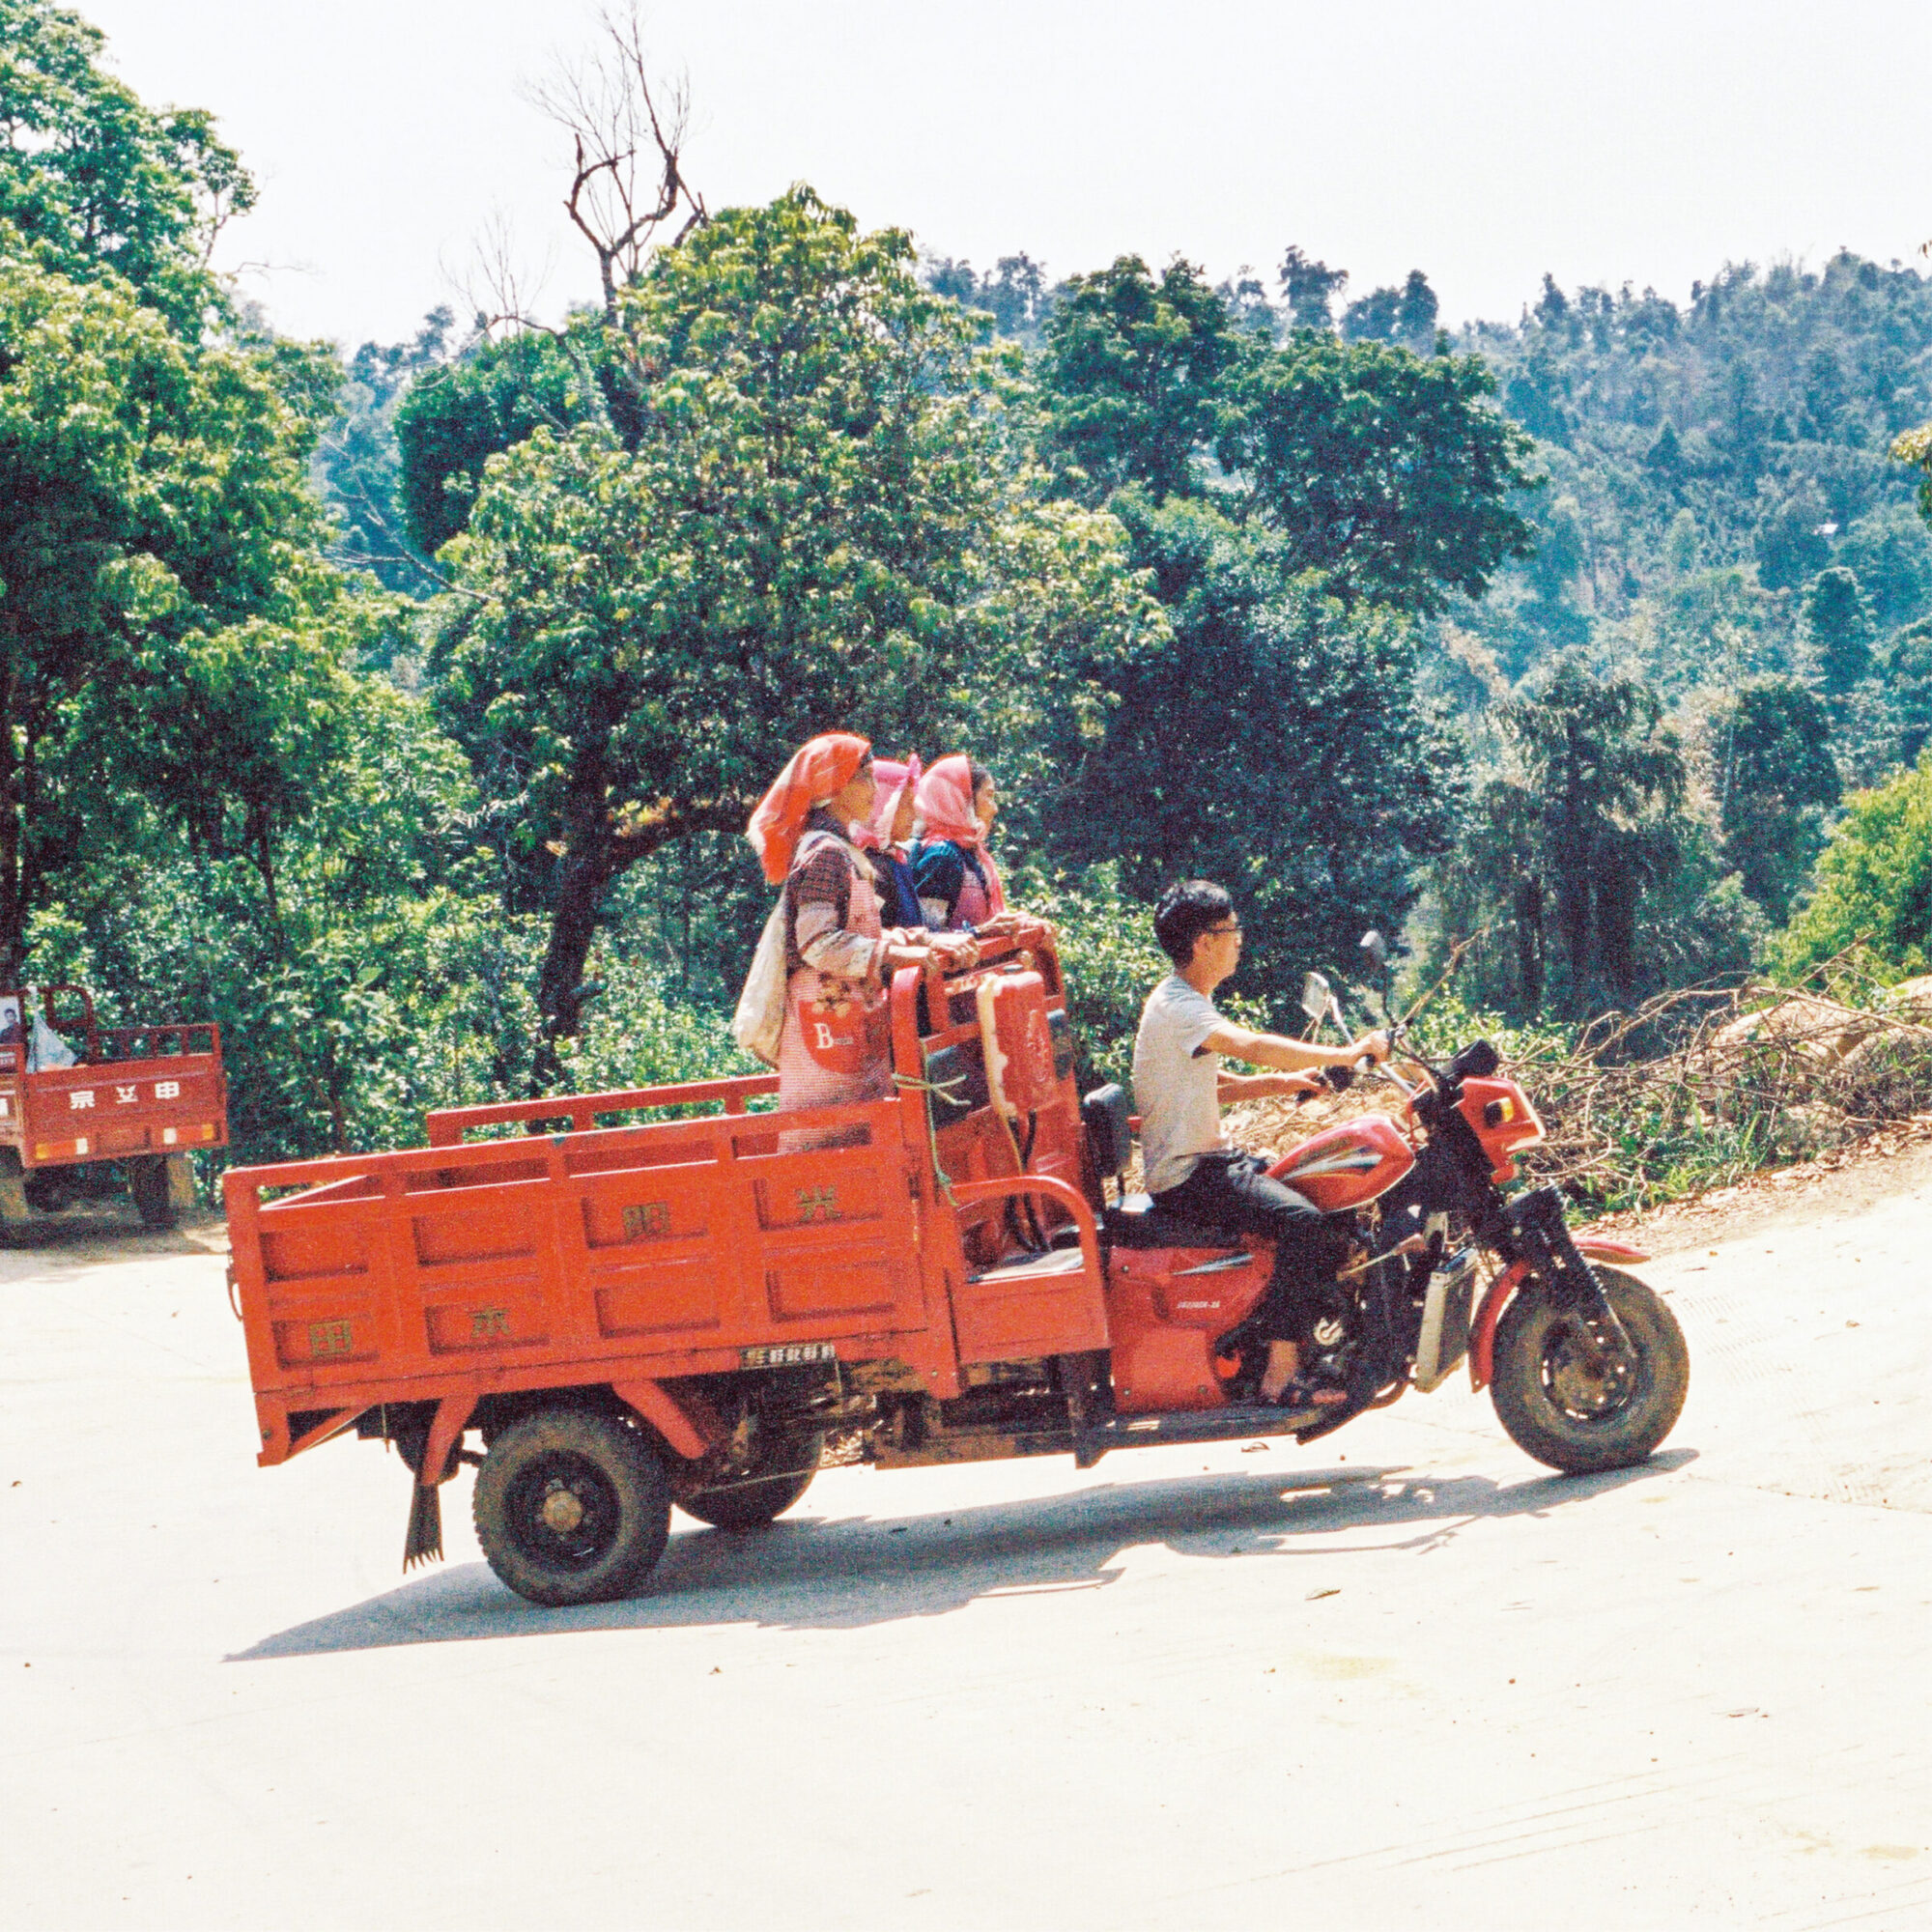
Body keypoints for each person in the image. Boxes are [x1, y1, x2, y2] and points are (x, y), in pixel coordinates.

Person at [1131, 879, 1389, 1407]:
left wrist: (1290, 1082)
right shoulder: (1180, 1006)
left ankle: (1328, 1338)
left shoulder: (1182, 1001)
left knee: (1327, 1196)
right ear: (1204, 942)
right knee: (1302, 1223)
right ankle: (1281, 1372)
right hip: (1187, 1177)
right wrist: (1344, 1054)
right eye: (1232, 931)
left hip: (1206, 1162)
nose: (1240, 941)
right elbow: (1249, 1045)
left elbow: (1214, 1084)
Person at [746, 734, 974, 1137]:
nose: (873, 789)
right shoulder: (824, 854)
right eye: (863, 778)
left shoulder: (839, 850)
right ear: (832, 788)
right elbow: (817, 944)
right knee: (832, 1141)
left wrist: (925, 942)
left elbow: (863, 932)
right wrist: (897, 956)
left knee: (859, 1134)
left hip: (846, 1023)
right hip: (826, 1026)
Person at [911, 755, 1008, 933]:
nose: (995, 808)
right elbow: (927, 935)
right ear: (962, 799)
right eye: (989, 795)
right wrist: (980, 932)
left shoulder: (970, 853)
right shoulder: (941, 856)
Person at [852, 755, 927, 932]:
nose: (914, 815)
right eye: (908, 805)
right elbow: (865, 937)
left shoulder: (894, 858)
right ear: (884, 806)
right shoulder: (867, 866)